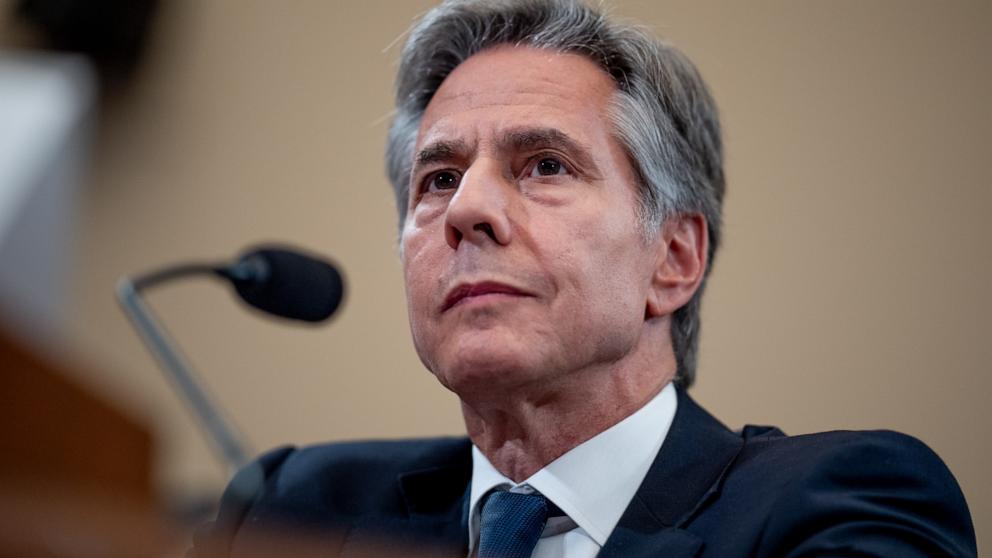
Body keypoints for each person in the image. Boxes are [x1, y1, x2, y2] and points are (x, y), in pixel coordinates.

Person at [192, 1, 976, 556]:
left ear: (673, 259)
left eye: (544, 165)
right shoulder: (295, 506)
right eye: (437, 179)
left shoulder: (836, 504)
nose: (468, 211)